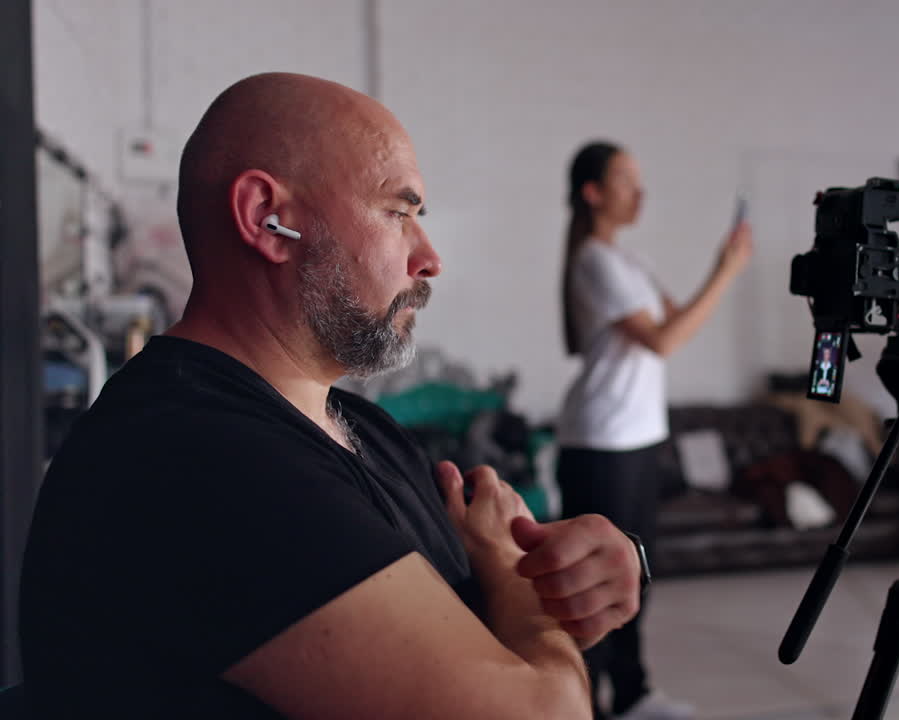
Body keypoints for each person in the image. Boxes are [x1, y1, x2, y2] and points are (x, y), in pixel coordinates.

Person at [20, 73, 646, 720]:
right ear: (269, 219)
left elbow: (471, 602)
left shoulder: (363, 430)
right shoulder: (196, 455)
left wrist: (587, 569)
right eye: (398, 212)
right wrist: (528, 597)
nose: (428, 258)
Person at [556, 141, 753, 719]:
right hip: (601, 442)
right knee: (595, 590)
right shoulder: (593, 259)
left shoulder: (627, 260)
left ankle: (634, 694)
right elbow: (663, 342)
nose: (639, 191)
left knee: (637, 577)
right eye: (625, 179)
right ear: (593, 193)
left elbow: (675, 319)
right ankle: (583, 705)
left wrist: (721, 270)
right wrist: (727, 271)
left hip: (638, 438)